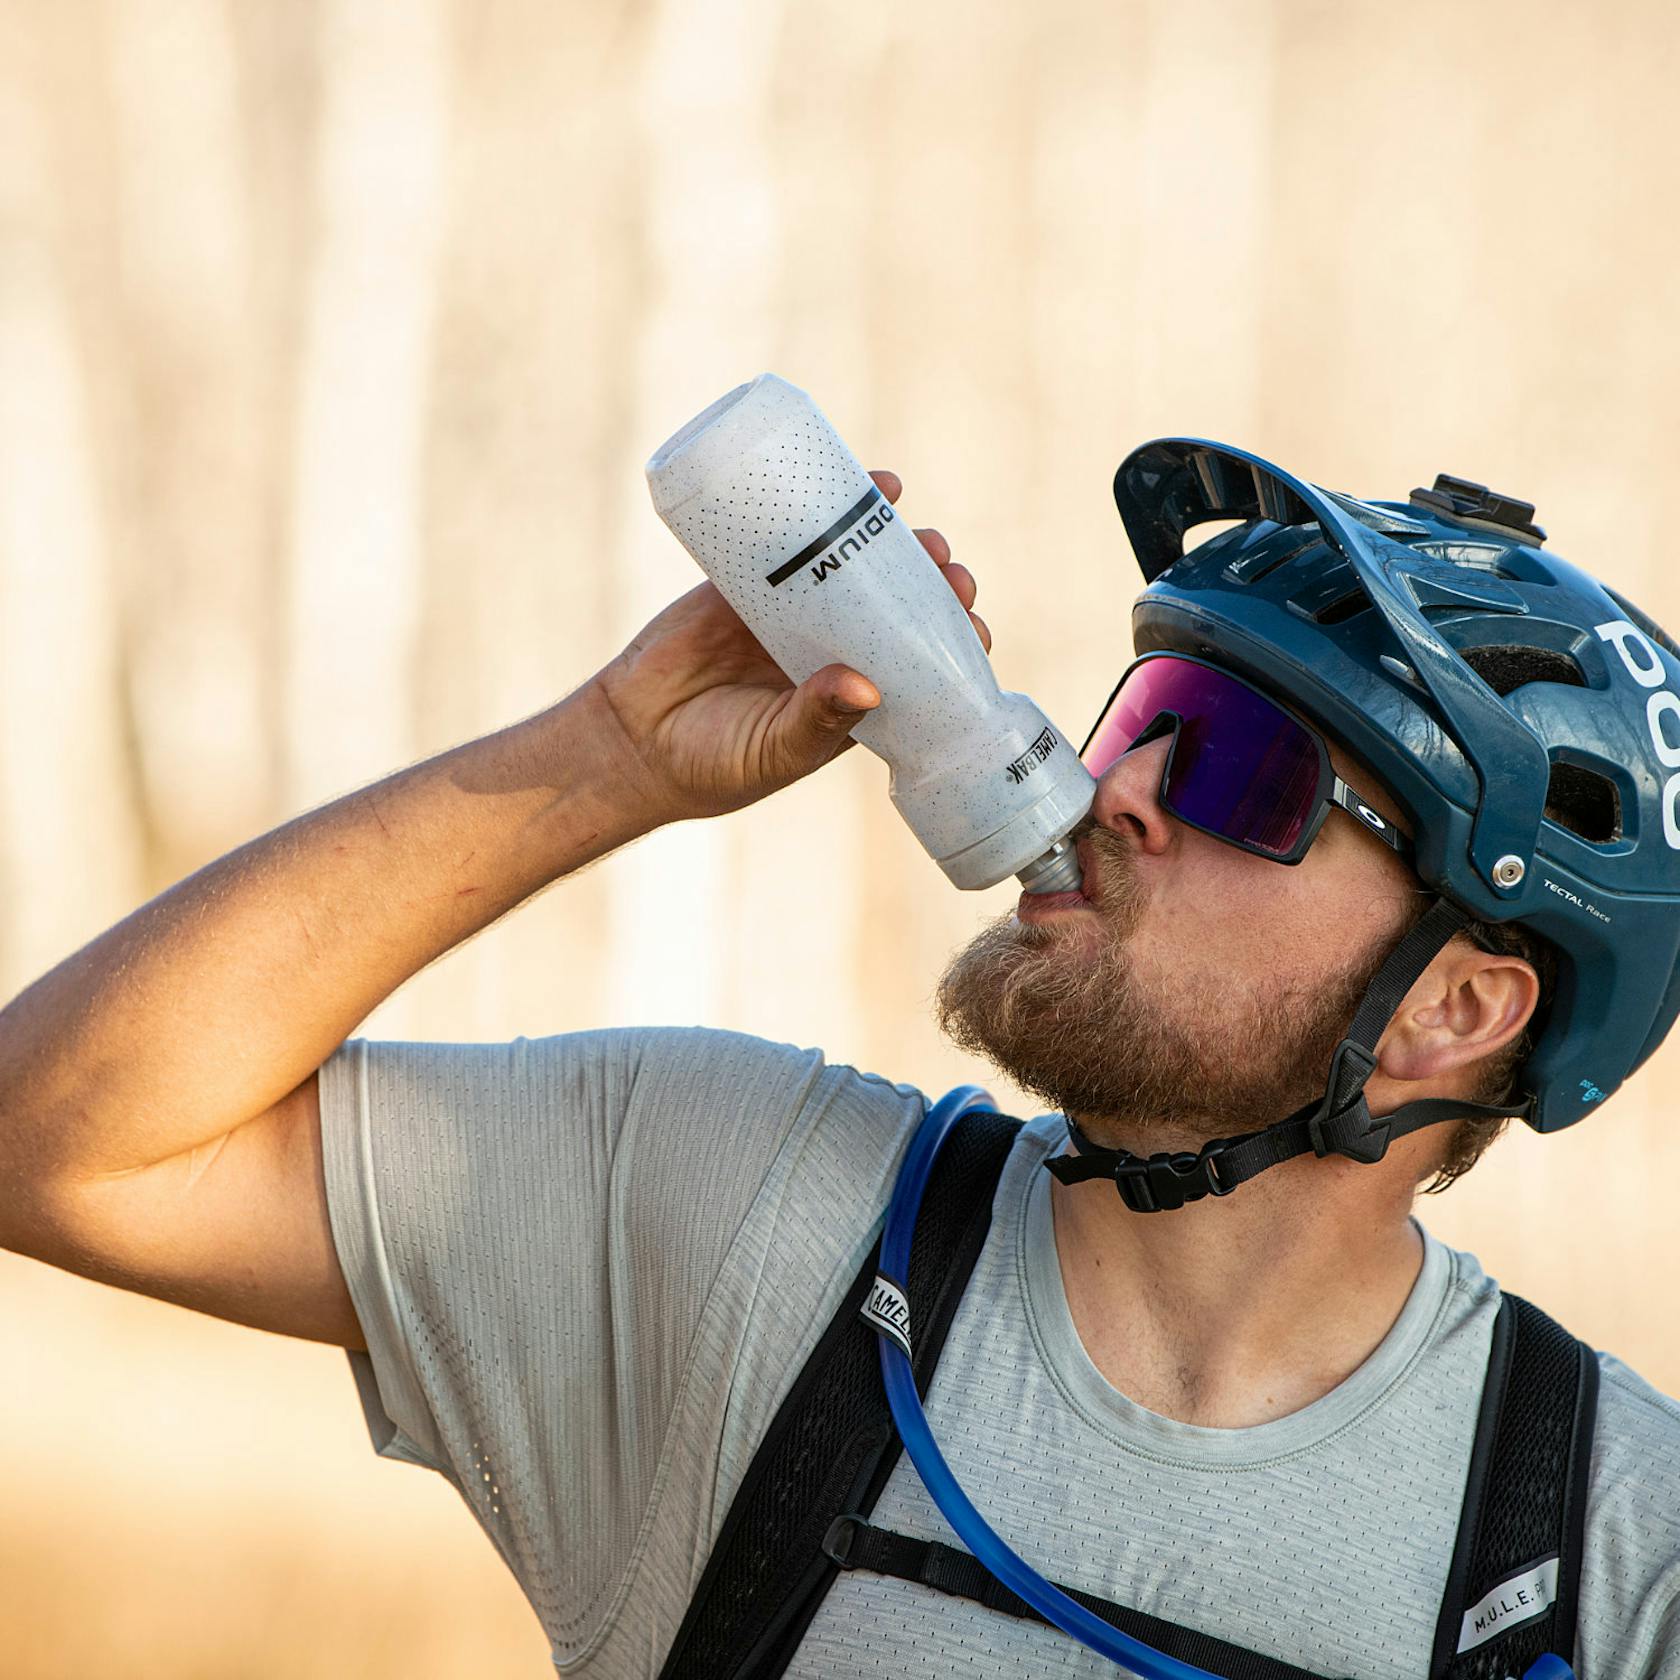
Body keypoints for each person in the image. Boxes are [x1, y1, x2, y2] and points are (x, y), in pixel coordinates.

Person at [2, 442, 1677, 1679]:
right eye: (1144, 709)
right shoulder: (749, 1221)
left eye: (1244, 771)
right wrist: (604, 760)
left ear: (1459, 1008)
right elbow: (64, 1143)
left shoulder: (1613, 1551)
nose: (1120, 790)